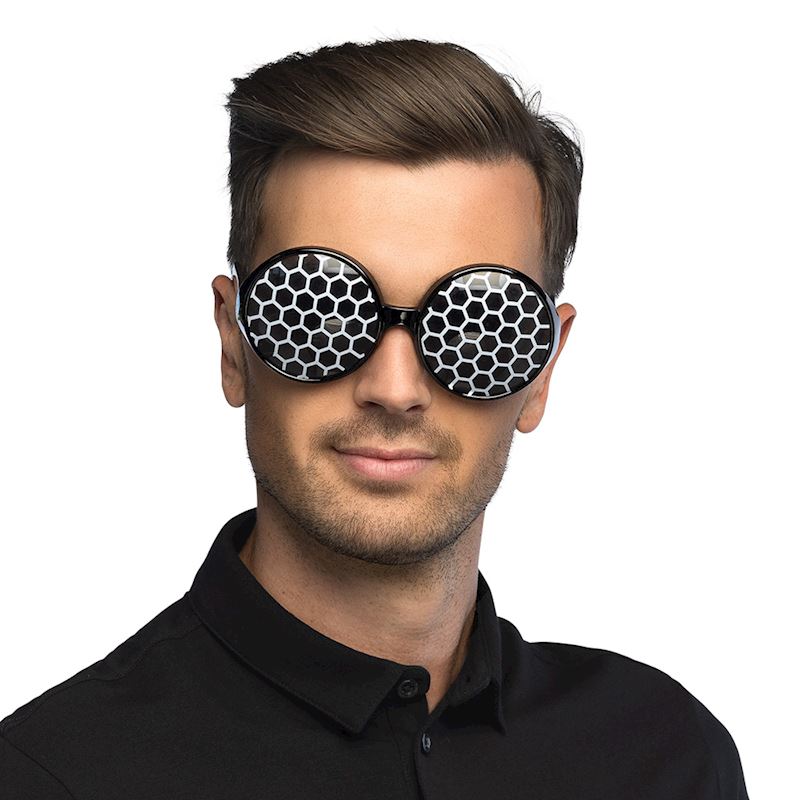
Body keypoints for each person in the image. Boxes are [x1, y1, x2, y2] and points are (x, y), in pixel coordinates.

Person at [0, 38, 749, 798]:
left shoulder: (667, 758)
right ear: (233, 343)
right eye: (317, 307)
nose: (394, 388)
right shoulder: (51, 777)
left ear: (543, 369)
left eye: (477, 319)